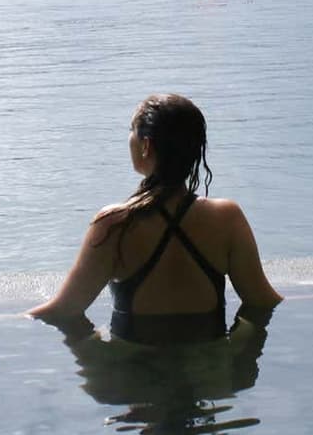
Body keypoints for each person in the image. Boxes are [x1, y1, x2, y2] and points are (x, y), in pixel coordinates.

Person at [28, 93, 282, 346]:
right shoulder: (227, 219)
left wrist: (13, 320)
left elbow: (64, 310)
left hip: (133, 366)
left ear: (146, 146)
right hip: (208, 367)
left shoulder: (114, 224)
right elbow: (262, 302)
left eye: (131, 130)